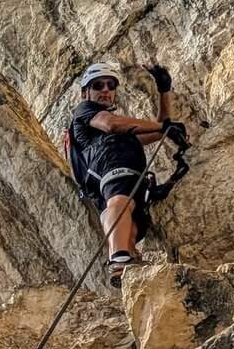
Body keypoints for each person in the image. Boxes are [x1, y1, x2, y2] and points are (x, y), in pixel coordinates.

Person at [67, 62, 176, 286]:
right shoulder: (86, 111)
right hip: (110, 164)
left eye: (110, 85)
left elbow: (157, 130)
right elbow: (110, 124)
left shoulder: (124, 133)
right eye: (98, 85)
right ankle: (119, 259)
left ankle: (130, 259)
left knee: (133, 224)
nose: (106, 90)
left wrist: (164, 91)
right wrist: (162, 128)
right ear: (85, 92)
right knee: (120, 201)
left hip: (127, 173)